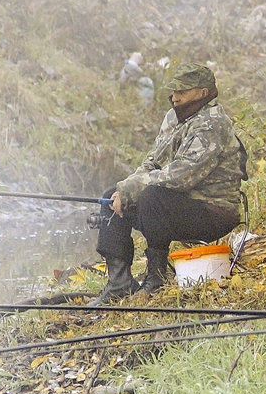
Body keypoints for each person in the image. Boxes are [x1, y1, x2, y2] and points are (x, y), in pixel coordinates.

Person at [89, 62, 246, 305]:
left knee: (153, 196)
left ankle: (156, 277)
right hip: (178, 204)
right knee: (112, 194)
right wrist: (125, 189)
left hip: (213, 211)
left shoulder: (213, 123)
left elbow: (181, 175)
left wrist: (134, 189)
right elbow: (153, 161)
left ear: (203, 93)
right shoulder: (174, 117)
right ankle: (119, 282)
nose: (174, 97)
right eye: (173, 91)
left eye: (181, 92)